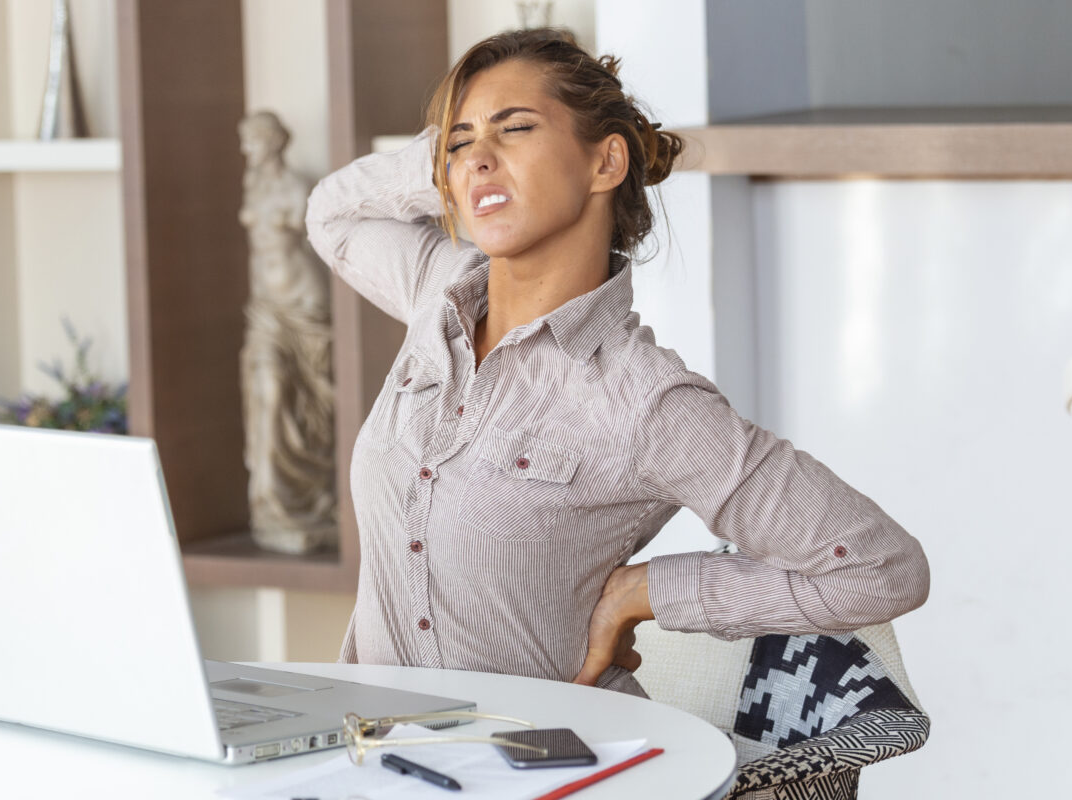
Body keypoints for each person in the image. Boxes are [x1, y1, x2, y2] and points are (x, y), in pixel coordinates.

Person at [305, 28, 929, 699]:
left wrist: (648, 589)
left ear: (606, 163)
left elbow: (882, 569)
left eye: (514, 129)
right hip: (367, 756)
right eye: (460, 143)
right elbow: (331, 214)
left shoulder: (647, 402)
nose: (478, 158)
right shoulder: (439, 289)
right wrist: (450, 159)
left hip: (540, 772)